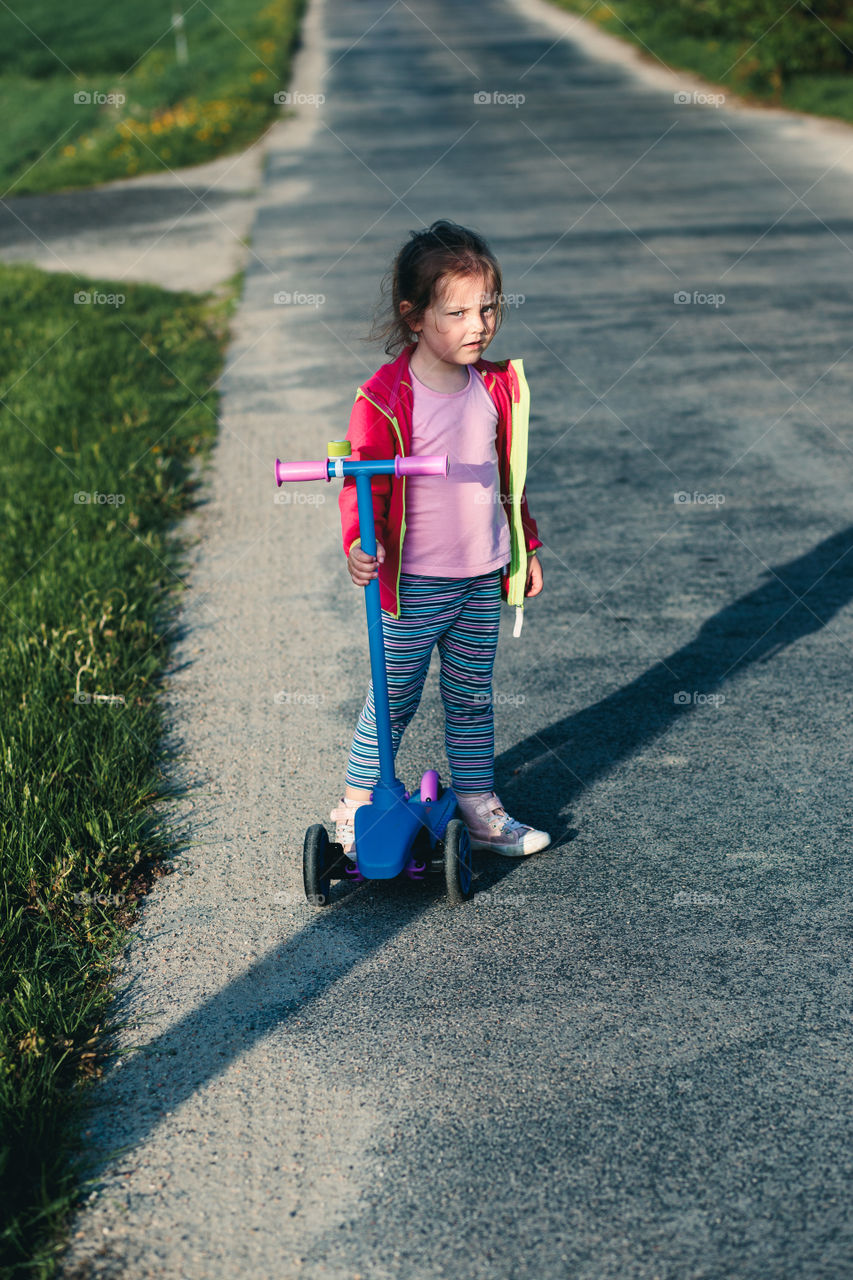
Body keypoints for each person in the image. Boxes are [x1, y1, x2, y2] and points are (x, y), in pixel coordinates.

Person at [330, 219, 550, 861]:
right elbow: (361, 484)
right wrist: (357, 544)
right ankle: (358, 805)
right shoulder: (385, 399)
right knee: (392, 698)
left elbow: (509, 477)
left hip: (481, 577)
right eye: (456, 312)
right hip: (413, 584)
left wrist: (525, 545)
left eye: (486, 308)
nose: (477, 325)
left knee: (471, 698)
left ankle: (480, 807)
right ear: (415, 317)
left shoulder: (496, 387)